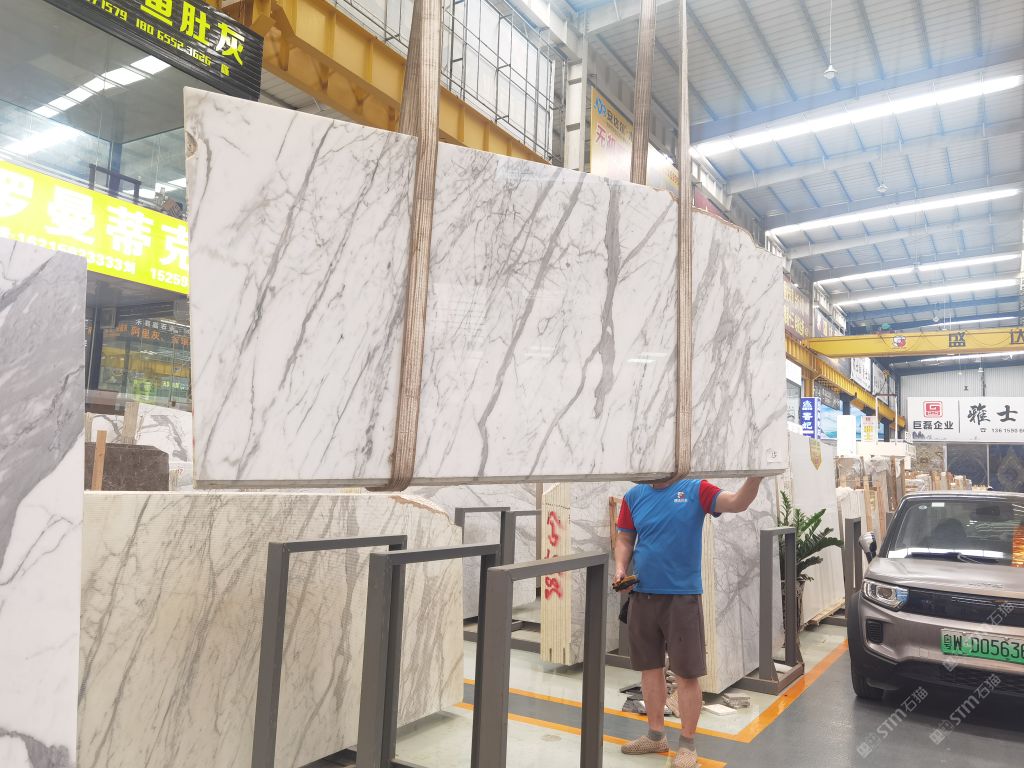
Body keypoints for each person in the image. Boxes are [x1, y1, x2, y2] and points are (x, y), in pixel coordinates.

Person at [613, 476, 763, 768]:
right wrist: (620, 567)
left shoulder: (696, 489)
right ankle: (656, 736)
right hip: (642, 594)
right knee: (649, 669)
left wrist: (755, 476)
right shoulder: (633, 496)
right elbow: (625, 537)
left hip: (682, 597)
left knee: (686, 673)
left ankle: (687, 745)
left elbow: (738, 502)